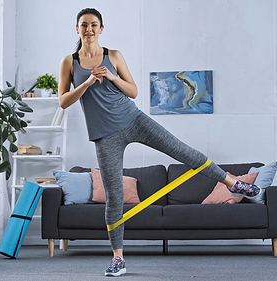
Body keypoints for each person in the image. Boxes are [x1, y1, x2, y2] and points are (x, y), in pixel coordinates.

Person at [58, 8, 261, 277]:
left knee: (183, 151)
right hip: (104, 134)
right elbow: (63, 100)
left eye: (94, 25)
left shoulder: (113, 56)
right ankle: (118, 258)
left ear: (101, 29)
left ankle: (232, 182)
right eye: (84, 25)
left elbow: (133, 91)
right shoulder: (69, 63)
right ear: (77, 29)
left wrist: (111, 76)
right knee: (114, 197)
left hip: (133, 120)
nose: (89, 30)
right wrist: (87, 83)